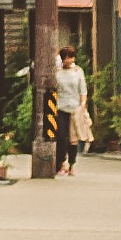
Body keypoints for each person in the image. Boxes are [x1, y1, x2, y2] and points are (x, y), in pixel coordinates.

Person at [46, 46, 90, 178]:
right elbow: (53, 90)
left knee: (73, 139)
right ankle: (62, 163)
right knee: (60, 137)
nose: (68, 60)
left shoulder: (78, 71)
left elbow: (83, 90)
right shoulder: (57, 73)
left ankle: (72, 164)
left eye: (70, 57)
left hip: (75, 109)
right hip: (60, 108)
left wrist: (82, 105)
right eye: (65, 58)